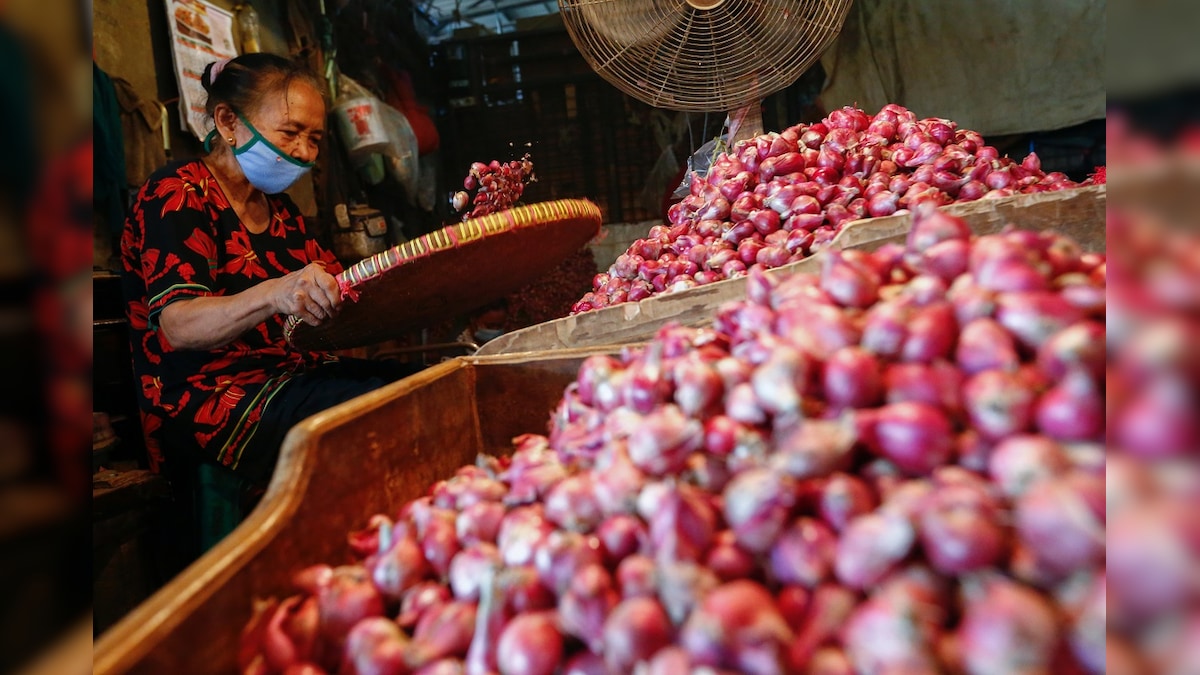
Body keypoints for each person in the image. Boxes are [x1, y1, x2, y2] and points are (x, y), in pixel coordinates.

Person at [120, 54, 415, 550]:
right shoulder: (176, 195)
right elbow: (178, 324)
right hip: (209, 398)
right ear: (228, 122)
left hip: (287, 378)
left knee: (417, 386)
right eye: (290, 132)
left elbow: (341, 290)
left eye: (315, 138)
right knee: (379, 413)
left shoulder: (278, 211)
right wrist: (276, 293)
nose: (303, 151)